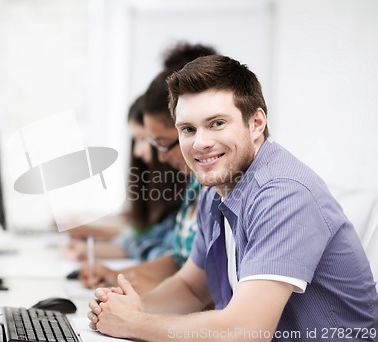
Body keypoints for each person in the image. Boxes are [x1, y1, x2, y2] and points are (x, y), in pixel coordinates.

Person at [87, 55, 378, 341]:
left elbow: (247, 331)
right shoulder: (215, 192)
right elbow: (190, 288)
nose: (200, 143)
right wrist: (126, 308)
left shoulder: (284, 193)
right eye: (188, 129)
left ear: (256, 123)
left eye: (216, 123)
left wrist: (135, 323)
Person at [78, 42, 217, 292]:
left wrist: (134, 302)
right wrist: (118, 278)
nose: (150, 154)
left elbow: (205, 291)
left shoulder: (233, 189)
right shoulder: (198, 184)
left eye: (156, 142)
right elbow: (180, 264)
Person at [64, 94, 186, 262]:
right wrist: (90, 248)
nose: (138, 151)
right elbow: (140, 234)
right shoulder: (162, 188)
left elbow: (168, 256)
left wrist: (92, 243)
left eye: (143, 139)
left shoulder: (188, 190)